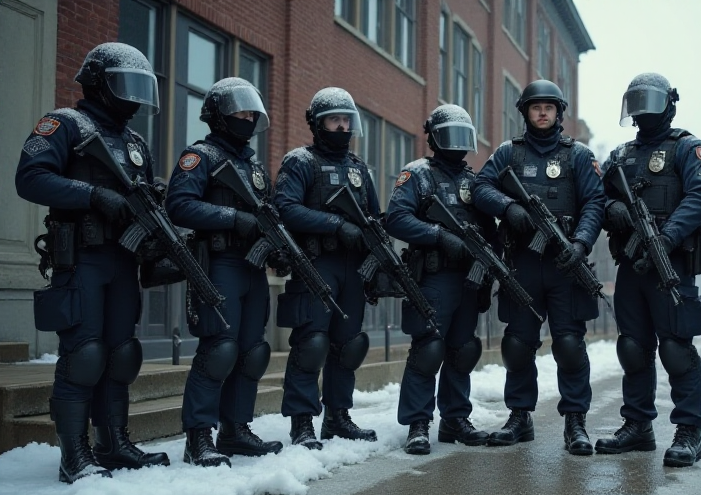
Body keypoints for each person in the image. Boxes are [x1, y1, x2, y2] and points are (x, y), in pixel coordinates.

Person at [15, 42, 170, 483]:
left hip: (123, 261)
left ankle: (113, 443)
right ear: (100, 83)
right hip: (82, 258)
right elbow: (30, 178)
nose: (135, 99)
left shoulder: (134, 141)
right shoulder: (64, 123)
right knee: (84, 355)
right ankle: (74, 455)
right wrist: (91, 195)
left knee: (121, 356)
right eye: (127, 86)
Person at [472, 80, 605, 456]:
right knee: (518, 344)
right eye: (536, 107)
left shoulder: (578, 155)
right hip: (523, 263)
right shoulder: (507, 154)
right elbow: (481, 187)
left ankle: (575, 421)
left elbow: (595, 202)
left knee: (569, 345)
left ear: (559, 113)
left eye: (549, 107)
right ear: (525, 112)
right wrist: (508, 208)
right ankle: (519, 416)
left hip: (566, 264)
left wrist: (581, 243)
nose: (542, 113)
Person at [595, 73, 701, 467]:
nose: (643, 108)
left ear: (669, 103)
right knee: (633, 348)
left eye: (650, 100)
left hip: (672, 263)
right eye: (637, 101)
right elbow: (600, 200)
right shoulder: (621, 155)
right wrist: (615, 212)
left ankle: (689, 431)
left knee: (677, 349)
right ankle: (637, 426)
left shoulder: (687, 148)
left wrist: (667, 236)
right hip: (632, 265)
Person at [166, 77, 284, 467]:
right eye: (240, 111)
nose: (248, 118)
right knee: (220, 350)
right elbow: (179, 205)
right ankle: (199, 436)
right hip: (219, 265)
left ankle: (235, 430)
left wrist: (279, 249)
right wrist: (233, 218)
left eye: (253, 112)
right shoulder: (200, 157)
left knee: (252, 353)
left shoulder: (252, 164)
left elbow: (267, 217)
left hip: (252, 267)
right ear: (218, 114)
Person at [273, 87, 379, 450]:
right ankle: (302, 422)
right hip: (316, 263)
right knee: (312, 344)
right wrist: (335, 225)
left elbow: (373, 221)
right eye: (335, 119)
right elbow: (285, 208)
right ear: (318, 124)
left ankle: (338, 417)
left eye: (347, 119)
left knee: (348, 346)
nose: (342, 126)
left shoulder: (359, 169)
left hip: (353, 269)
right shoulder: (300, 162)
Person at [385, 105, 494, 454]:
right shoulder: (417, 174)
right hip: (433, 276)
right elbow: (396, 219)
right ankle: (418, 423)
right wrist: (437, 235)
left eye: (464, 137)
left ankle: (455, 419)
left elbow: (489, 232)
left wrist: (489, 267)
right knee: (429, 350)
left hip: (468, 280)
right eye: (450, 135)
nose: (458, 144)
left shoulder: (474, 181)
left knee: (463, 351)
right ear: (433, 137)